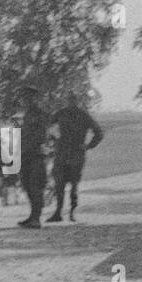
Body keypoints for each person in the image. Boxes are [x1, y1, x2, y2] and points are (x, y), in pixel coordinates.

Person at [47, 92, 104, 222]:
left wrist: (88, 146)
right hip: (67, 152)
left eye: (71, 100)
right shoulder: (72, 114)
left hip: (73, 153)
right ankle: (61, 212)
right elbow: (48, 125)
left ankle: (68, 212)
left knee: (71, 183)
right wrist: (53, 139)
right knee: (63, 183)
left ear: (74, 101)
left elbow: (99, 133)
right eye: (69, 100)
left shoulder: (73, 114)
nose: (70, 102)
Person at [17, 84, 50, 229]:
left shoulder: (39, 113)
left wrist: (28, 145)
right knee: (27, 185)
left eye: (27, 97)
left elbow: (40, 135)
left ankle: (36, 218)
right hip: (26, 155)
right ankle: (32, 215)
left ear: (33, 98)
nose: (24, 100)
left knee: (35, 186)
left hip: (36, 154)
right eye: (23, 97)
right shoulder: (28, 114)